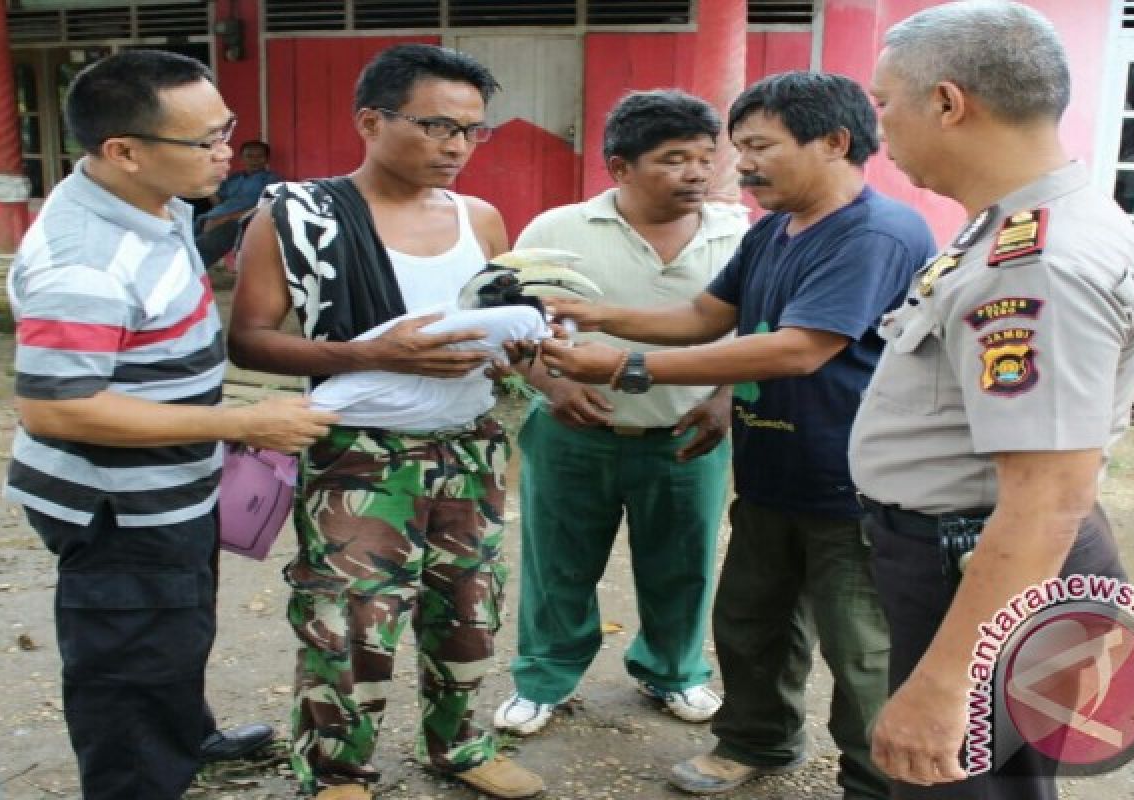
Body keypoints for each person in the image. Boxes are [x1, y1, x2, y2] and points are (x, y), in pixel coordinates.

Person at [538, 72, 936, 798]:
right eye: (740, 148)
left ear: (834, 142)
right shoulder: (776, 229)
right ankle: (758, 742)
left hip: (854, 484)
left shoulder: (876, 232)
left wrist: (627, 366)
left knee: (862, 649)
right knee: (753, 621)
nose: (740, 165)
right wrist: (597, 317)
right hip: (773, 469)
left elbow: (797, 348)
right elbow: (703, 315)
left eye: (758, 147)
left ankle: (879, 782)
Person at [3, 50, 338, 800]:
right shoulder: (85, 262)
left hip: (170, 480)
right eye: (205, 142)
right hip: (118, 504)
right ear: (123, 150)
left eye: (226, 130)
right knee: (130, 657)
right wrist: (234, 422)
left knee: (176, 625)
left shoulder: (148, 200)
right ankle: (138, 779)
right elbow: (57, 406)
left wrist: (213, 432)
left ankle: (184, 734)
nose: (226, 152)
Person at [853, 3, 1134, 799]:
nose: (879, 127)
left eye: (884, 104)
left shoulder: (1035, 261)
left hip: (978, 568)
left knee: (958, 779)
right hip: (982, 562)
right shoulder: (1021, 223)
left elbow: (1048, 499)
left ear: (948, 103)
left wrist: (951, 682)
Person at [228, 44, 543, 800]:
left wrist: (515, 360)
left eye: (472, 131)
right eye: (437, 126)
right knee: (348, 620)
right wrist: (377, 353)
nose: (457, 146)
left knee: (468, 608)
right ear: (371, 121)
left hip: (468, 444)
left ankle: (462, 748)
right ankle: (337, 771)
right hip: (358, 452)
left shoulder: (481, 217)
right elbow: (247, 337)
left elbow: (500, 317)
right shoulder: (300, 216)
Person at [490, 90, 745, 738]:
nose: (696, 173)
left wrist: (723, 398)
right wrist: (552, 387)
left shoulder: (739, 232)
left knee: (685, 564)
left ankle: (674, 671)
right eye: (673, 159)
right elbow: (514, 329)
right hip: (574, 433)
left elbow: (756, 332)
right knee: (557, 565)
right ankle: (543, 679)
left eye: (704, 157)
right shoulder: (557, 231)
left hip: (685, 435)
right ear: (619, 166)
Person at [194, 139, 280, 266]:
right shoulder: (234, 178)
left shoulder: (271, 180)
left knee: (200, 249)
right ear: (242, 159)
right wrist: (208, 187)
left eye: (259, 156)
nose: (254, 160)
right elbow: (219, 202)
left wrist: (228, 217)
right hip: (211, 218)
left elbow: (266, 207)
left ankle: (192, 269)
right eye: (249, 156)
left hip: (243, 221)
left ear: (267, 159)